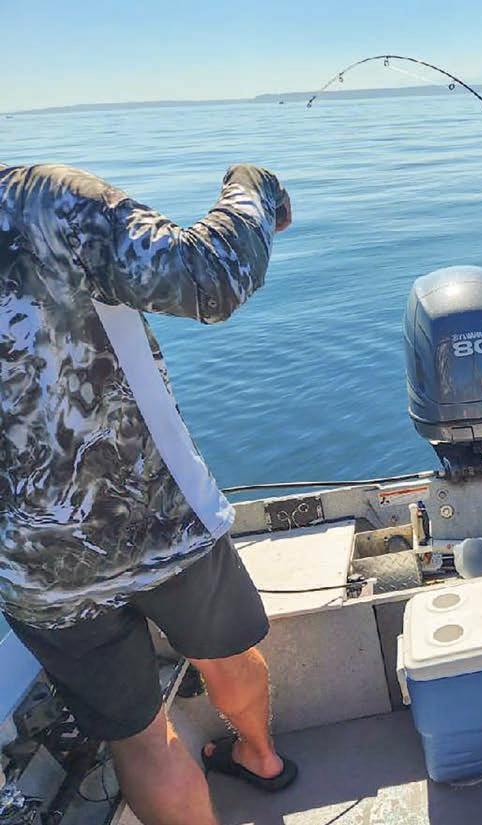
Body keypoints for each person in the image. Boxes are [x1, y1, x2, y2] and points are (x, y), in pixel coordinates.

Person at [0, 162, 296, 825]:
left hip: (41, 569)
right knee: (223, 653)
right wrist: (255, 186)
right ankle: (261, 757)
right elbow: (210, 278)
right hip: (163, 516)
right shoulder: (45, 200)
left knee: (139, 739)